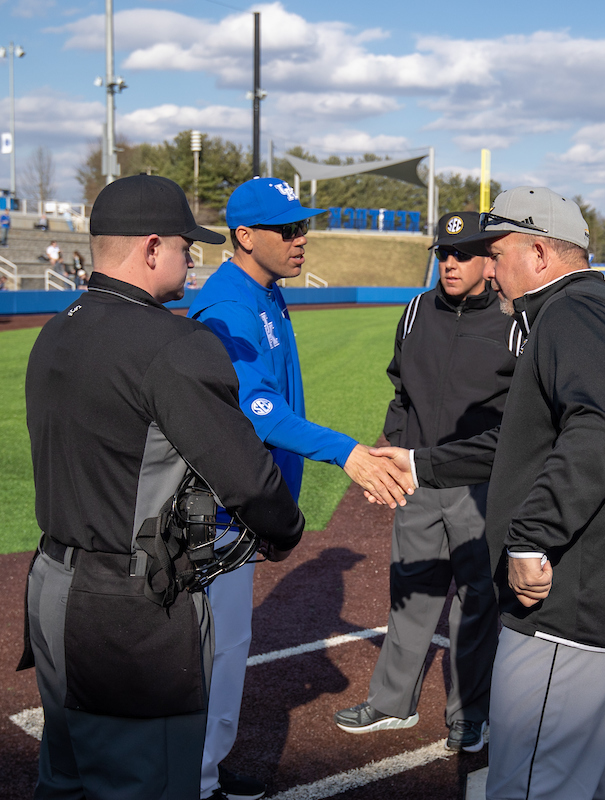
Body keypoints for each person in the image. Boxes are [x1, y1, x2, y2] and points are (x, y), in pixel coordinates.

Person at [371, 187, 605, 800]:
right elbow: (528, 440)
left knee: (528, 785)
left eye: (497, 251)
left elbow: (600, 425)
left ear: (539, 253)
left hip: (574, 615)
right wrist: (419, 462)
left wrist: (532, 536)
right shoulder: (595, 309)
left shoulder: (573, 312)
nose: (488, 265)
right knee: (589, 786)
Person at [20, 173, 307, 800]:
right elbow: (251, 483)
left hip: (52, 588)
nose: (190, 258)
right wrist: (285, 530)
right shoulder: (175, 344)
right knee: (149, 783)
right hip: (131, 614)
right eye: (184, 245)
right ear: (153, 248)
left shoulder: (54, 330)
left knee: (66, 779)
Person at [188, 177, 414, 800]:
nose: (300, 239)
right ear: (244, 236)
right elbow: (255, 406)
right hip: (222, 507)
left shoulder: (261, 290)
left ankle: (202, 768)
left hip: (243, 501)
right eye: (286, 229)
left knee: (222, 648)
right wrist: (347, 453)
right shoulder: (230, 305)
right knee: (220, 649)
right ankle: (197, 780)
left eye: (301, 226)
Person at [334, 212, 523, 751]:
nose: (450, 263)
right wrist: (396, 453)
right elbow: (401, 389)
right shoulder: (417, 309)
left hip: (479, 486)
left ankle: (468, 714)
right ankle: (393, 704)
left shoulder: (516, 322)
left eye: (463, 254)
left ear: (490, 261)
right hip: (416, 478)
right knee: (409, 597)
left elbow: (523, 414)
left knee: (477, 601)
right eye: (444, 253)